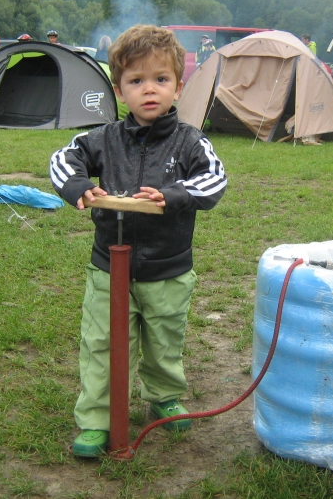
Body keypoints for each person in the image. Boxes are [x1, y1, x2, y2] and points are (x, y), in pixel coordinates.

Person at [49, 24, 227, 458]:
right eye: (136, 80)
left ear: (178, 87)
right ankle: (97, 419)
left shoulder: (191, 142)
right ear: (119, 90)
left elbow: (214, 180)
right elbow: (62, 159)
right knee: (102, 343)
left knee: (164, 340)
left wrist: (173, 195)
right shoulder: (103, 139)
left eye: (161, 79)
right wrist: (78, 186)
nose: (150, 89)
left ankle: (163, 396)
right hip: (108, 268)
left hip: (168, 269)